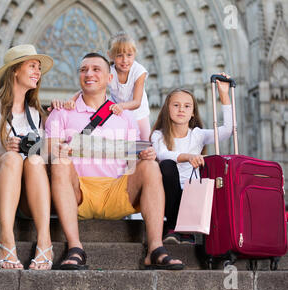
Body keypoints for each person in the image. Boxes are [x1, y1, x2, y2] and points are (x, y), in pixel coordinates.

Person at [45, 52, 184, 270]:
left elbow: (134, 156)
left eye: (96, 69)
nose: (89, 74)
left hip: (116, 192)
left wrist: (144, 155)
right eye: (83, 70)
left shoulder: (125, 117)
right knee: (60, 162)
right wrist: (60, 149)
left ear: (110, 78)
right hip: (78, 192)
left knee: (149, 166)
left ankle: (155, 248)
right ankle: (75, 247)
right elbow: (49, 152)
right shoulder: (62, 112)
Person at [0, 44, 54, 270]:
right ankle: (6, 240)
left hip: (26, 196)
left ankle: (45, 241)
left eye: (39, 67)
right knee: (12, 159)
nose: (38, 72)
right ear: (15, 71)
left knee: (35, 161)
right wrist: (5, 154)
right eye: (32, 66)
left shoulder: (37, 115)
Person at [151, 73, 233, 244]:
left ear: (193, 113)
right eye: (176, 105)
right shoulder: (159, 135)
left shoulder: (198, 135)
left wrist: (224, 95)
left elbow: (227, 131)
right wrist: (188, 156)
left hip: (193, 192)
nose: (181, 109)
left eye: (187, 106)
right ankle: (173, 226)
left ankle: (185, 230)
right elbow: (163, 154)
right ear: (167, 109)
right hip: (167, 193)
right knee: (167, 165)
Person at [51, 31, 151, 141]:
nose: (124, 60)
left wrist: (121, 107)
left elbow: (137, 102)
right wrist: (71, 100)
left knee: (145, 142)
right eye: (119, 55)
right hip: (116, 109)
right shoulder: (110, 71)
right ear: (110, 55)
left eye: (129, 55)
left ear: (135, 54)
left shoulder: (138, 71)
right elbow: (87, 86)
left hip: (138, 112)